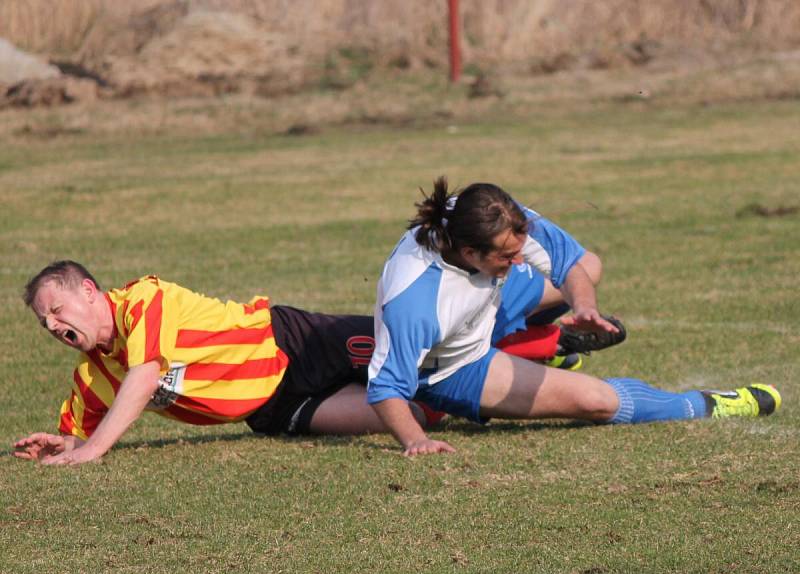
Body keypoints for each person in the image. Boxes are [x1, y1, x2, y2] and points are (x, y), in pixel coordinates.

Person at [366, 177, 782, 456]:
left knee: (590, 268)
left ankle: (542, 340)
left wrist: (584, 307)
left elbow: (570, 265)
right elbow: (386, 386)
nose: (520, 258)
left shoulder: (490, 216)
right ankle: (708, 403)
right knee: (596, 401)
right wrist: (417, 441)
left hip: (482, 309)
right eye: (509, 256)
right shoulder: (416, 301)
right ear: (471, 253)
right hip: (454, 368)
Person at [13, 260, 447, 465]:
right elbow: (81, 435)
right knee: (411, 411)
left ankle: (509, 338)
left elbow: (145, 376)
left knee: (429, 352)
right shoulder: (92, 376)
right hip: (272, 410)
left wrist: (92, 450)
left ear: (89, 291)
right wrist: (65, 444)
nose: (52, 325)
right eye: (43, 321)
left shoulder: (143, 300)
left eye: (57, 309)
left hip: (288, 342)